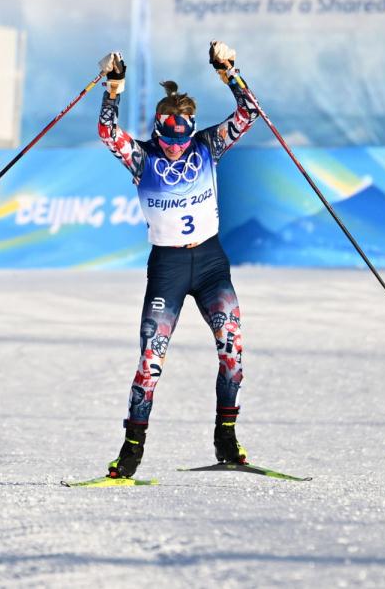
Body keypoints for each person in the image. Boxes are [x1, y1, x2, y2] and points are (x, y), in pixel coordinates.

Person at [97, 41, 259, 478]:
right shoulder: (144, 156)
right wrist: (113, 87)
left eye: (180, 139)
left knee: (233, 353)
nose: (173, 147)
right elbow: (109, 134)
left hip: (210, 264)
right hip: (168, 269)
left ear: (190, 131)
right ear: (159, 131)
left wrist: (229, 71)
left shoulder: (207, 146)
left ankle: (226, 436)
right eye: (167, 138)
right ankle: (131, 449)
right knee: (151, 362)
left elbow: (249, 113)